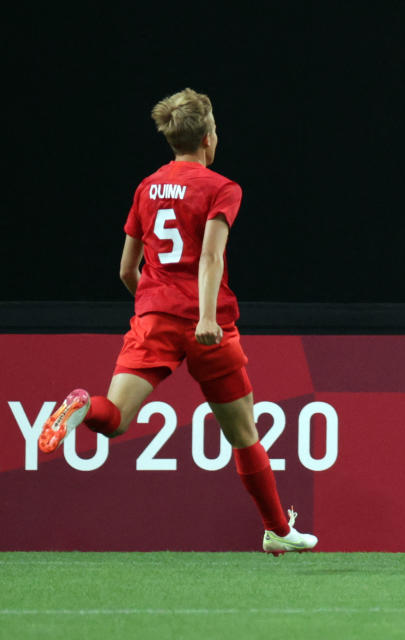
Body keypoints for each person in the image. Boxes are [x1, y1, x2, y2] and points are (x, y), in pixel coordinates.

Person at [37, 88, 317, 556]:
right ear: (208, 138)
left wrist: (152, 302)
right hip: (208, 326)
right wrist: (205, 315)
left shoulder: (146, 187)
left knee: (115, 421)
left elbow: (127, 270)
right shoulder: (221, 187)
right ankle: (276, 530)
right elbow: (210, 256)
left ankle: (84, 409)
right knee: (243, 433)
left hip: (154, 319)